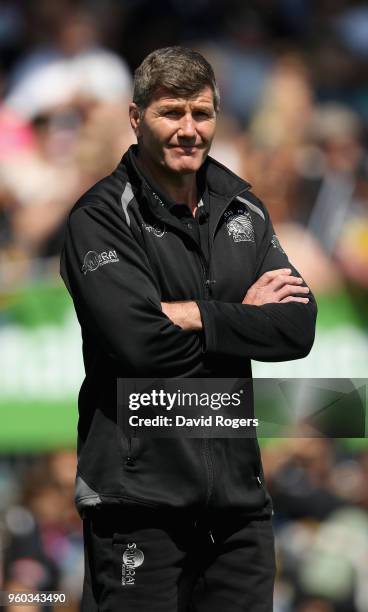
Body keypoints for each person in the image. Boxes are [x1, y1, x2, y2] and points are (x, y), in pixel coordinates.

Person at [60, 46, 317, 612]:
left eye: (201, 113)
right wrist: (242, 315)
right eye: (170, 112)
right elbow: (141, 345)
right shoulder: (99, 217)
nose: (188, 129)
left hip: (238, 507)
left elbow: (297, 327)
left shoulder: (243, 209)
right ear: (136, 118)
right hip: (138, 505)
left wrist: (194, 312)